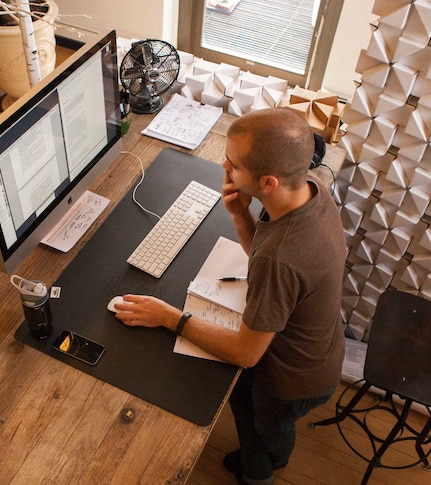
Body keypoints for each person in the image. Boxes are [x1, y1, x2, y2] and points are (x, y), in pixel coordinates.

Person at [113, 107, 345, 484]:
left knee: (254, 418)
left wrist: (169, 317)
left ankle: (260, 474)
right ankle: (277, 454)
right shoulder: (311, 191)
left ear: (268, 182)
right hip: (317, 350)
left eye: (233, 164)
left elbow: (245, 353)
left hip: (293, 381)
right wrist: (240, 216)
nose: (224, 165)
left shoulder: (281, 258)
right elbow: (271, 260)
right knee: (268, 422)